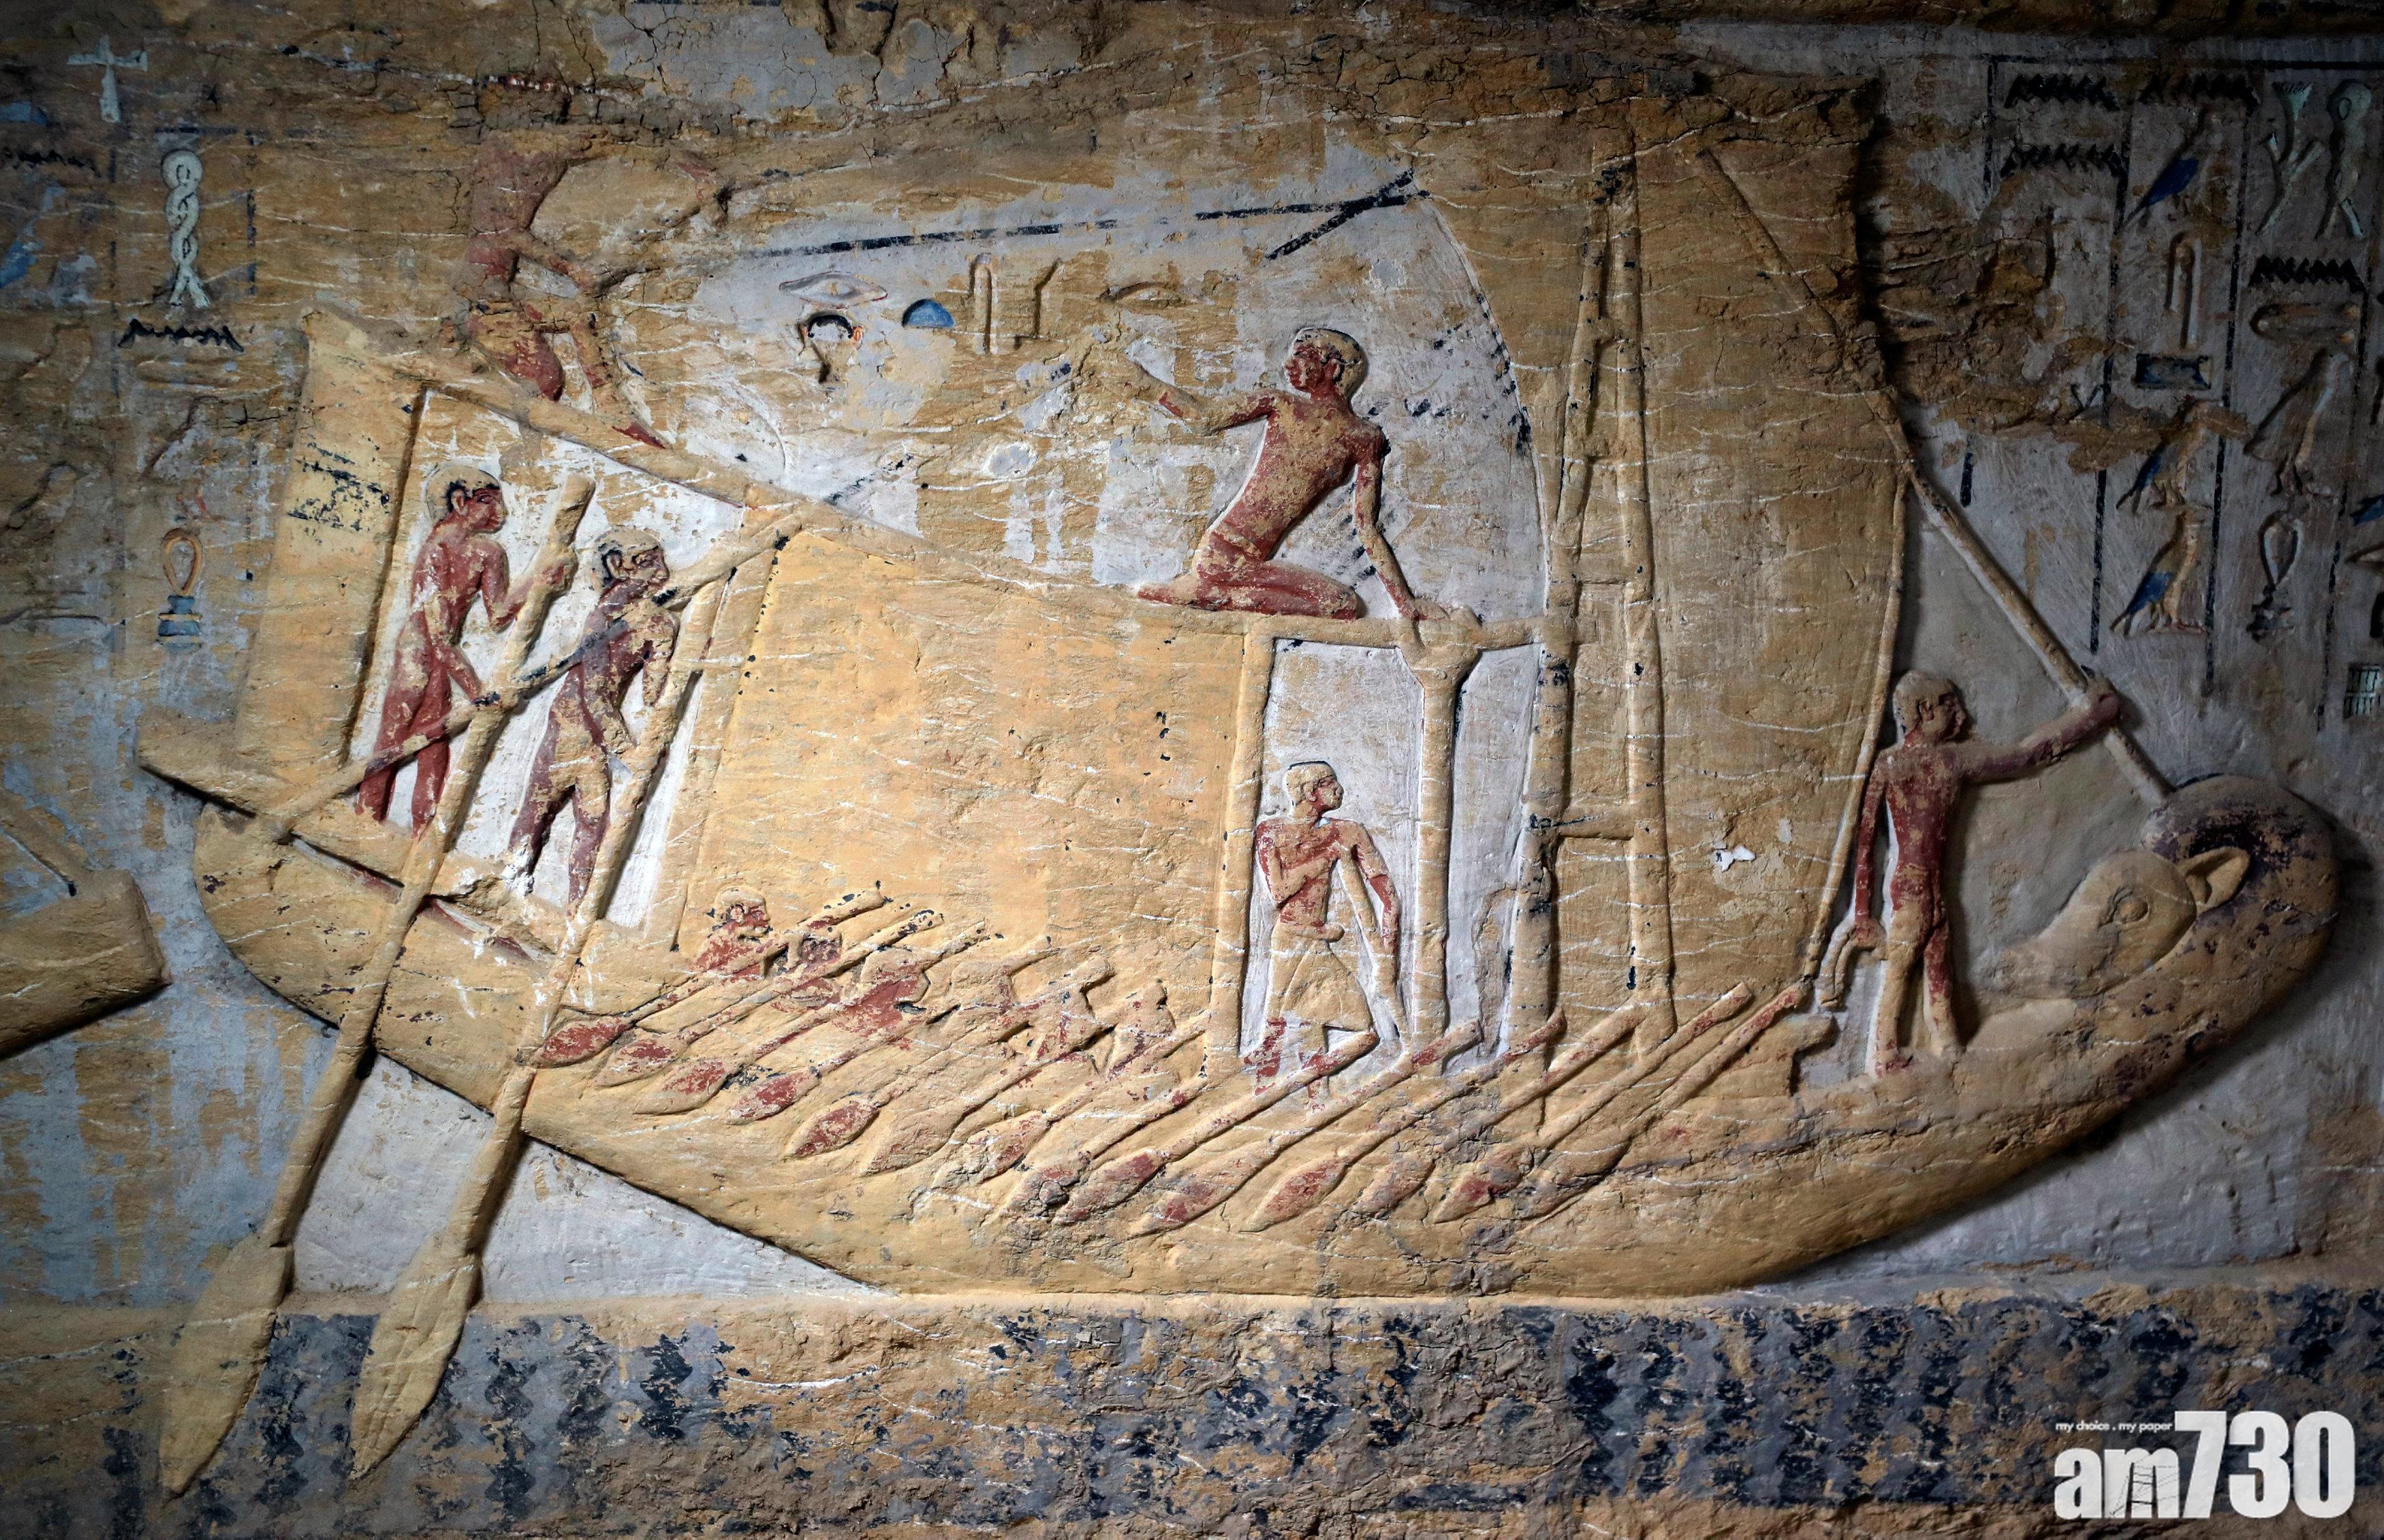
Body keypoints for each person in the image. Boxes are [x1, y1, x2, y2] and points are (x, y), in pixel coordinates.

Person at [1825, 672, 2122, 1074]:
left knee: (1938, 964)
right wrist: (1862, 914)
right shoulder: (1899, 764)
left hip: (1928, 886)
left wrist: (2089, 719)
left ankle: (1949, 1046)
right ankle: (1884, 1054)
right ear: (1925, 710)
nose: (1961, 717)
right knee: (1900, 966)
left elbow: (2026, 756)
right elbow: (1864, 842)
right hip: (1910, 888)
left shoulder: (1946, 760)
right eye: (1950, 705)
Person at [1113, 328, 1442, 621]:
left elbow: (1367, 527)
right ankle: (1206, 594)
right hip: (1223, 552)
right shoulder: (1282, 405)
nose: (1289, 364)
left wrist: (1405, 602)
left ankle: (1206, 594)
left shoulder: (1364, 438)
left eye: (1302, 356)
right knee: (1341, 605)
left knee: (1343, 605)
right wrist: (1149, 386)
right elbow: (1205, 418)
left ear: (1333, 368)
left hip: (1251, 564)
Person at [359, 465, 549, 826]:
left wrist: (540, 582)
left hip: (442, 655)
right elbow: (436, 633)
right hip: (418, 652)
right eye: (486, 501)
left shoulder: (489, 552)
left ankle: (422, 834)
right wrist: (476, 691)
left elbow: (499, 614)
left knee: (435, 744)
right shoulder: (437, 548)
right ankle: (365, 823)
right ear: (460, 502)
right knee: (393, 741)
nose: (500, 512)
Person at [502, 525, 678, 904]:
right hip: (572, 729)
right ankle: (511, 889)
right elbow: (594, 691)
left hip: (592, 734)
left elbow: (653, 695)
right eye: (649, 562)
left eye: (660, 561)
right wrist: (629, 752)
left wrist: (675, 659)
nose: (662, 572)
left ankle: (576, 909)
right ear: (619, 566)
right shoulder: (604, 616)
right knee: (542, 811)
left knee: (591, 823)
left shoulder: (659, 623)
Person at [1251, 761, 1400, 1086]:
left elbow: (1387, 895)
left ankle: (1312, 1094)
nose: (1338, 789)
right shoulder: (1271, 832)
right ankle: (1281, 1088)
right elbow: (1278, 892)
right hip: (1292, 938)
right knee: (1287, 1026)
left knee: (1316, 1021)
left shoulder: (1348, 831)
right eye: (1329, 783)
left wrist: (1388, 953)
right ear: (1309, 792)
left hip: (1319, 940)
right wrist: (1324, 859)